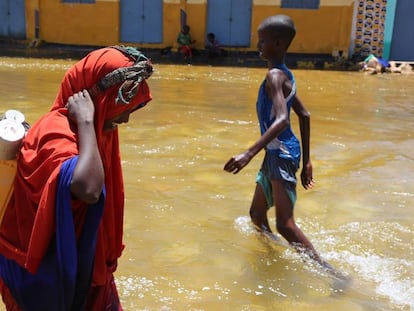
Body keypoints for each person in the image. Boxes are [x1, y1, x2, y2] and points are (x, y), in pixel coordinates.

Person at [0, 45, 153, 310]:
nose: (126, 118)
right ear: (92, 101)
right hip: (45, 277)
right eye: (122, 109)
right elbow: (89, 188)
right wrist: (84, 121)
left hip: (82, 267)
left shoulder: (99, 130)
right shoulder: (54, 132)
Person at [224, 15, 345, 279]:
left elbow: (282, 120)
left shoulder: (275, 76)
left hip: (282, 153)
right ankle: (273, 255)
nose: (258, 43)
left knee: (285, 225)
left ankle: (333, 276)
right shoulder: (284, 74)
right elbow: (305, 114)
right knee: (257, 214)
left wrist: (248, 153)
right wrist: (308, 160)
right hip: (278, 152)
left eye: (263, 39)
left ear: (278, 44)